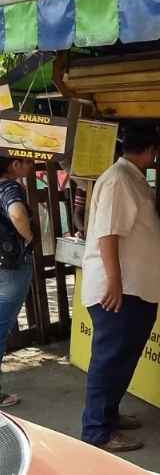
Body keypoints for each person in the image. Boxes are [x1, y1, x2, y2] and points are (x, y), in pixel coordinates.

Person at [80, 123, 160, 453]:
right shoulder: (120, 180)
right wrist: (115, 282)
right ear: (151, 150)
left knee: (122, 359)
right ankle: (97, 431)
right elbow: (108, 234)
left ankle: (109, 415)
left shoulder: (130, 178)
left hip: (135, 288)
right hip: (120, 290)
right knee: (108, 361)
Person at [0, 157, 34, 407]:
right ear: (14, 165)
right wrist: (29, 236)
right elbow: (17, 213)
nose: (31, 166)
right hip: (10, 267)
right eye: (27, 162)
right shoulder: (9, 187)